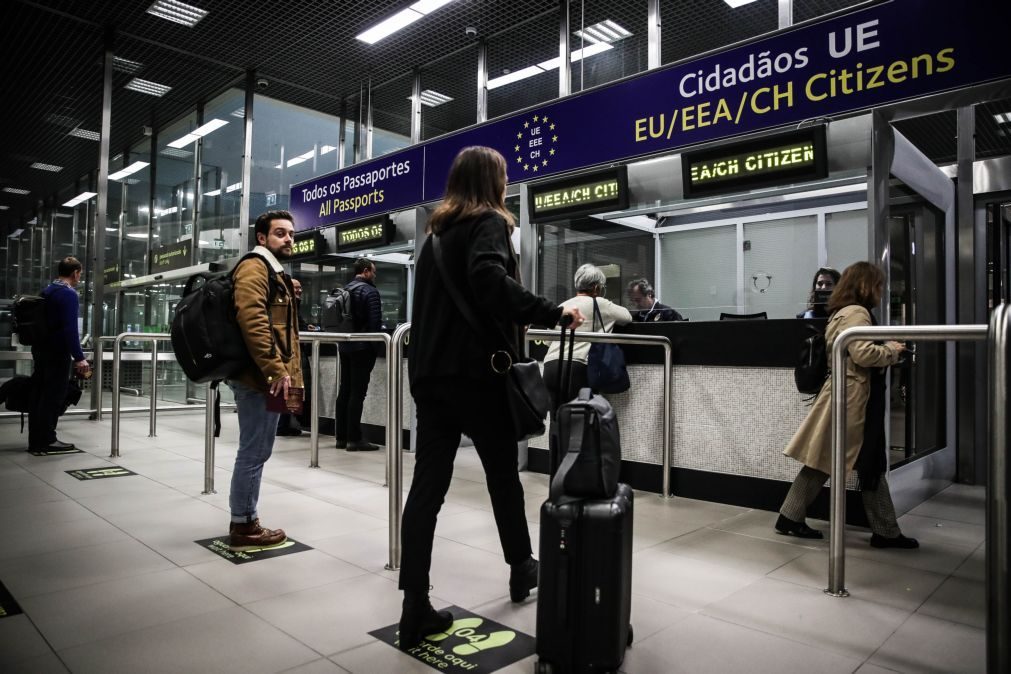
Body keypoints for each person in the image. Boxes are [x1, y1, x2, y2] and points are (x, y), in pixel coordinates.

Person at [398, 146, 585, 651]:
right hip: (478, 377)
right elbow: (488, 280)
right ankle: (522, 567)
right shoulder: (490, 222)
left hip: (433, 377)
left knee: (427, 491)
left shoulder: (435, 234)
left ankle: (414, 603)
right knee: (503, 477)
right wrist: (553, 310)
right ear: (492, 182)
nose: (507, 184)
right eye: (504, 177)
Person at [776, 261, 918, 549]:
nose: (881, 291)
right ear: (865, 286)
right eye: (878, 285)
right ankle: (885, 531)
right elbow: (862, 353)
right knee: (869, 462)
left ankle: (790, 516)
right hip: (856, 398)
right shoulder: (857, 312)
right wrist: (891, 350)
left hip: (847, 394)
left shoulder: (845, 311)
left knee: (830, 459)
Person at [226, 210, 303, 551]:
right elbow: (253, 321)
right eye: (280, 233)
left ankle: (246, 518)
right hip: (261, 378)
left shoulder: (273, 273)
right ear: (262, 237)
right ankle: (243, 524)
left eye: (290, 234)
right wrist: (276, 370)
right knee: (254, 450)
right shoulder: (254, 268)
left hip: (269, 376)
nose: (289, 239)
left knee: (259, 449)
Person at [543, 263, 633, 407]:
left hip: (550, 366)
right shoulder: (600, 303)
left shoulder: (563, 306)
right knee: (581, 417)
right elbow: (627, 317)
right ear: (597, 287)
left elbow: (548, 340)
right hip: (577, 366)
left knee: (558, 417)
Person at [29, 256, 90, 452]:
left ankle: (36, 439)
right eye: (80, 273)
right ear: (75, 273)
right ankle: (48, 439)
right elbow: (70, 329)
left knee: (40, 394)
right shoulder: (68, 294)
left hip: (40, 350)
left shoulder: (47, 291)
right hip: (57, 352)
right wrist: (79, 357)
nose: (79, 276)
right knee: (53, 396)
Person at [335, 257, 383, 451]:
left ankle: (341, 437)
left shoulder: (346, 289)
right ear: (365, 271)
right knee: (357, 393)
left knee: (344, 390)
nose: (375, 275)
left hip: (345, 345)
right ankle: (354, 439)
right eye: (373, 271)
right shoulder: (370, 291)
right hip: (362, 348)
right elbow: (374, 324)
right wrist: (376, 348)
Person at [277, 278, 312, 436]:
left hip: (291, 351)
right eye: (295, 288)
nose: (299, 291)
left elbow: (297, 324)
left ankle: (287, 423)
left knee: (291, 389)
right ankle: (283, 424)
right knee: (289, 388)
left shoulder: (292, 302)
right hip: (289, 352)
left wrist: (306, 327)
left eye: (300, 288)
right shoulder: (287, 303)